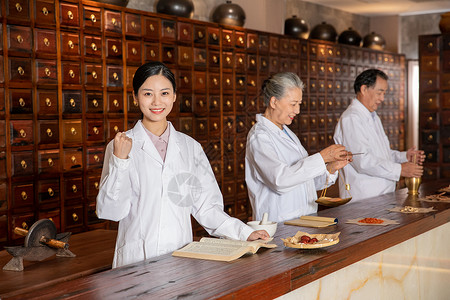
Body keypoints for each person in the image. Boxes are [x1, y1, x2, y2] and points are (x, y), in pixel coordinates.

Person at [96, 61, 269, 268]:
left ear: (174, 97)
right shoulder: (119, 146)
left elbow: (206, 207)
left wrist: (244, 232)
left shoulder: (190, 148)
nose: (156, 102)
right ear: (135, 97)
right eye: (148, 94)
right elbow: (110, 212)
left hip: (179, 257)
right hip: (136, 260)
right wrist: (120, 161)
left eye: (165, 93)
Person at [245, 72, 351, 223]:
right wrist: (322, 157)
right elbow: (279, 181)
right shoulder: (260, 137)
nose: (297, 111)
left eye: (299, 104)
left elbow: (304, 181)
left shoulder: (287, 133)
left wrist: (330, 168)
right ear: (274, 102)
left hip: (303, 219)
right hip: (279, 223)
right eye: (293, 104)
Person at [334, 68, 425, 201]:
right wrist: (399, 170)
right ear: (364, 89)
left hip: (382, 196)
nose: (382, 99)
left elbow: (381, 154)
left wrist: (404, 156)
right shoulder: (352, 119)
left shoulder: (372, 116)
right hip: (363, 199)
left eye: (384, 93)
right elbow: (362, 161)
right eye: (379, 93)